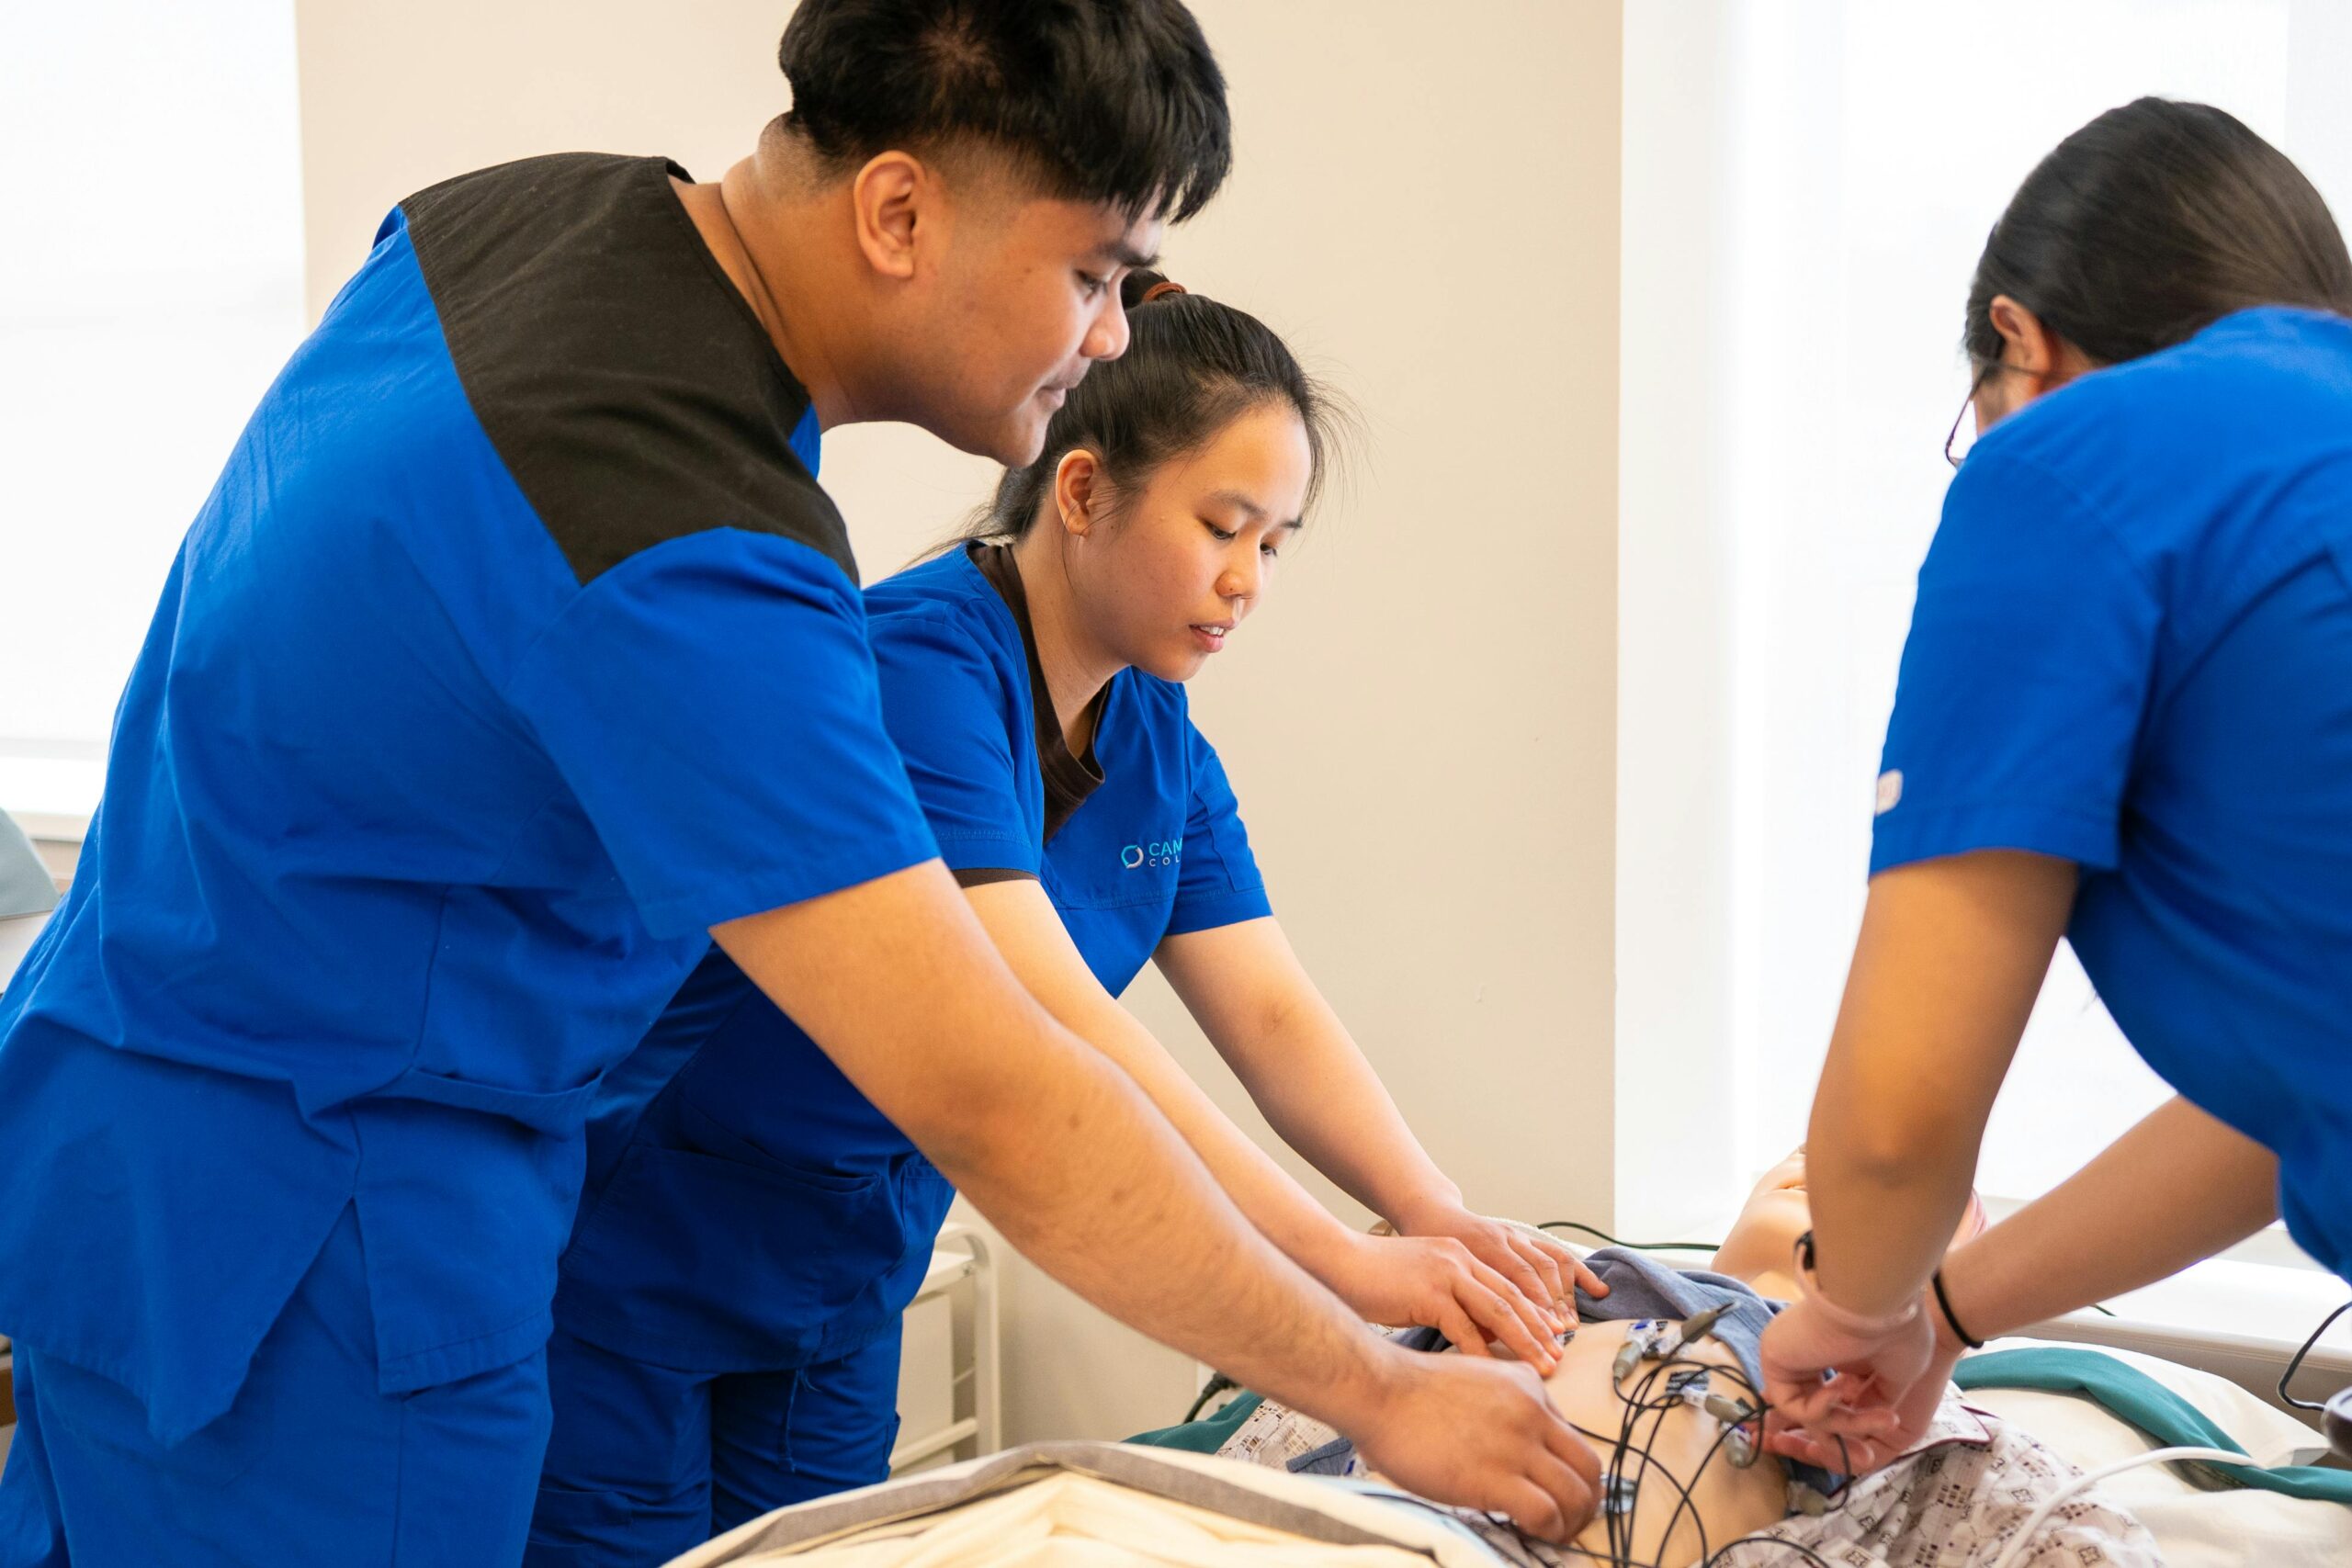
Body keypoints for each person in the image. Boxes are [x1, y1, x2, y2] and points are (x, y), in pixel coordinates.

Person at [0, 6, 1598, 1562]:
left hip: (127, 1118)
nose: (1114, 334)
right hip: (319, 1234)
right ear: (898, 210)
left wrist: (1409, 1227)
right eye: (1095, 273)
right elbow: (999, 1079)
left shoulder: (531, 221)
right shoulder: (697, 549)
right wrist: (1368, 1380)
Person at [526, 273, 1599, 1563]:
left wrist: (1433, 1209)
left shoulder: (1155, 729)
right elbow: (1058, 1018)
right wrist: (1339, 1262)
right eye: (1223, 525)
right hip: (644, 1247)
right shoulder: (918, 666)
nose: (1249, 578)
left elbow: (1267, 1006)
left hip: (845, 1262)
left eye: (1277, 542)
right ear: (1082, 492)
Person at [1752, 96, 2352, 1466]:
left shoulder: (2074, 457)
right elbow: (2290, 1098)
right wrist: (1940, 1312)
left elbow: (1899, 1121)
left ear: (2018, 343)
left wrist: (1848, 1294)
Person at [1196, 1153, 2158, 1568]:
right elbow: (1252, 1450)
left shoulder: (1934, 1435)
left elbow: (2079, 1543)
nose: (1831, 1155)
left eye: (1918, 1191)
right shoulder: (1511, 1283)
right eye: (1799, 1154)